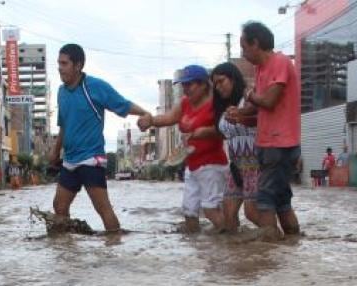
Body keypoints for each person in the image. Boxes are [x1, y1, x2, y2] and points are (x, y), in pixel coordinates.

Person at [49, 43, 152, 233]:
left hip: (91, 159)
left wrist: (145, 113)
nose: (59, 68)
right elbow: (63, 125)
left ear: (78, 65)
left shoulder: (94, 87)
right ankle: (65, 253)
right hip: (70, 161)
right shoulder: (61, 92)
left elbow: (122, 103)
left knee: (103, 209)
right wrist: (55, 151)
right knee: (59, 207)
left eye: (64, 63)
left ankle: (114, 246)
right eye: (58, 63)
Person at [227, 21, 301, 237]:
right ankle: (291, 243)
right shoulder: (261, 69)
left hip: (280, 143)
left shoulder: (280, 62)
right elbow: (258, 107)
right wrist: (240, 114)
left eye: (244, 47)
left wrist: (249, 95)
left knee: (265, 199)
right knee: (281, 200)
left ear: (255, 43)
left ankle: (269, 251)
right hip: (269, 143)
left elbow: (268, 101)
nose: (243, 53)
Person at [138, 64, 228, 233]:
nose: (185, 89)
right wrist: (150, 120)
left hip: (212, 166)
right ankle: (197, 250)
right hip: (192, 166)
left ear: (203, 84)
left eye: (189, 84)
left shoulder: (215, 105)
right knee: (189, 211)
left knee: (210, 210)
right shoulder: (185, 103)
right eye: (183, 85)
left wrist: (202, 132)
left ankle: (231, 243)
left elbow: (224, 131)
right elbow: (168, 118)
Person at [209, 61, 261, 232]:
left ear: (233, 79)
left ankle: (278, 242)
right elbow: (221, 133)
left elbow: (261, 119)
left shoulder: (248, 98)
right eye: (215, 83)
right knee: (229, 215)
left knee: (252, 213)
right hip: (236, 166)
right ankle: (237, 254)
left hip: (256, 164)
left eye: (221, 81)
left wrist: (240, 117)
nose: (218, 87)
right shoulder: (222, 107)